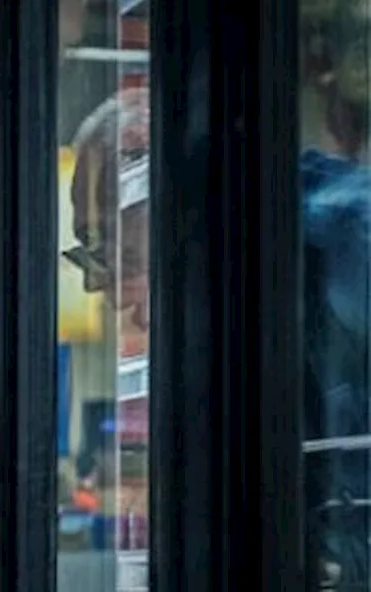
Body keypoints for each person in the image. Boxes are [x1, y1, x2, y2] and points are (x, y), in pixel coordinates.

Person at [65, 85, 371, 589]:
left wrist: (335, 563)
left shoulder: (338, 238)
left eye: (109, 249)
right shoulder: (221, 294)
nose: (108, 291)